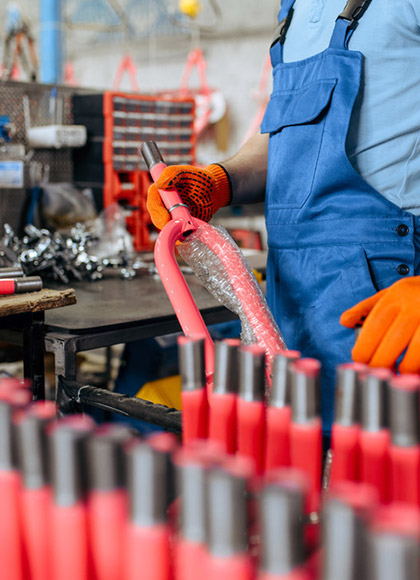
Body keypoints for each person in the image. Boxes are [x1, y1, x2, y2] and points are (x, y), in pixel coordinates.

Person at [147, 0, 420, 433]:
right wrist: (219, 182)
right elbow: (282, 142)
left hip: (390, 305)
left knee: (384, 462)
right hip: (293, 303)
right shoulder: (294, 11)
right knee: (303, 460)